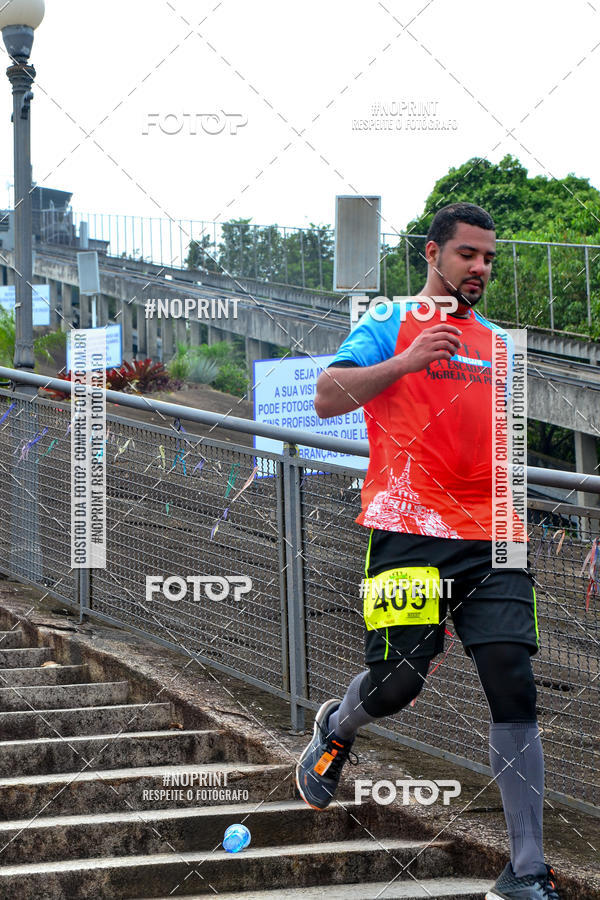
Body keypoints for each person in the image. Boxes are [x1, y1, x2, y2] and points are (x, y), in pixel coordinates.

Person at [295, 202, 561, 900]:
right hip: (408, 526)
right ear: (432, 254)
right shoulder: (389, 322)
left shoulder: (503, 343)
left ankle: (526, 871)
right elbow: (326, 397)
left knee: (515, 687)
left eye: (489, 258)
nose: (480, 268)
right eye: (468, 254)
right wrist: (409, 360)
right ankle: (336, 724)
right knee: (398, 684)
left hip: (494, 535)